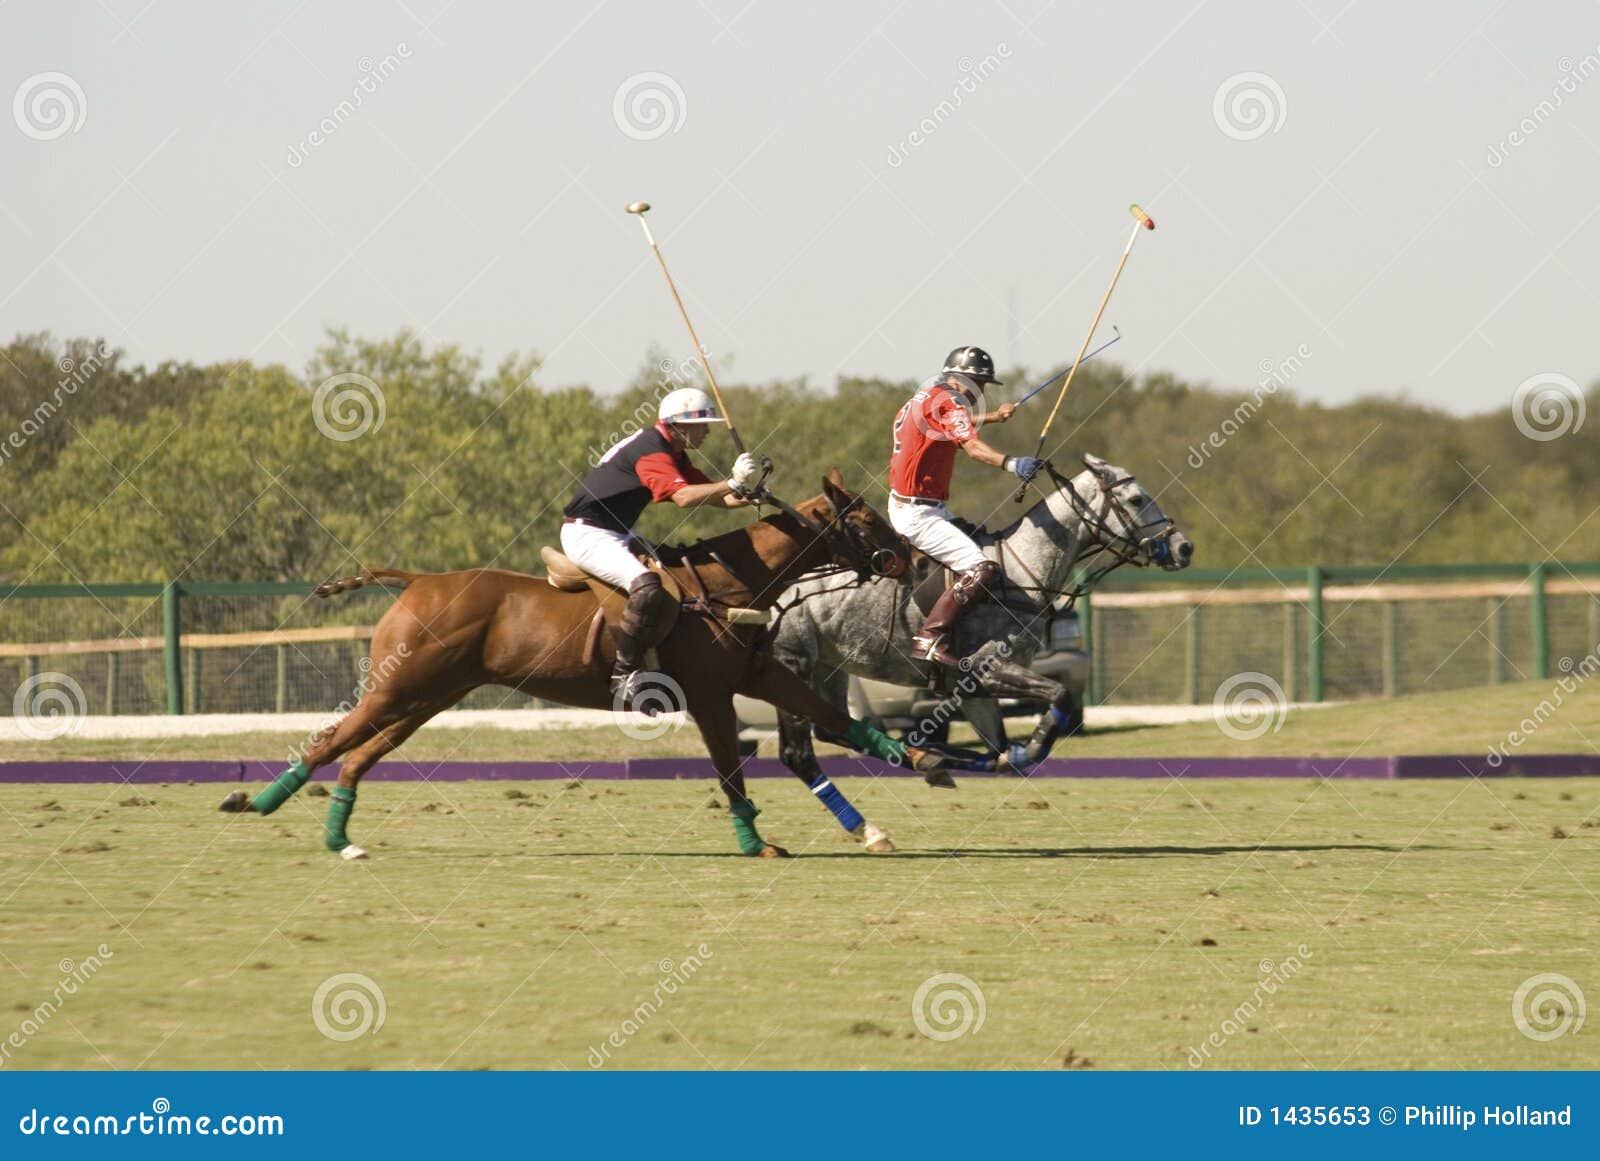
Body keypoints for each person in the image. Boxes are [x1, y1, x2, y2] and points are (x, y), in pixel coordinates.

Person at [562, 387, 762, 708]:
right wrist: (732, 482)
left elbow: (716, 497)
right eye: (702, 425)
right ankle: (624, 673)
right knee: (647, 586)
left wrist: (751, 492)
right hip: (588, 535)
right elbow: (684, 498)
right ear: (678, 426)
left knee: (675, 568)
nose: (708, 431)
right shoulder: (651, 451)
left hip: (617, 532)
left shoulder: (673, 453)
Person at [888, 345, 1041, 667]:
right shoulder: (951, 403)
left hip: (914, 505)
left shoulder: (928, 397)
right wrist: (1011, 464)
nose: (980, 392)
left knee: (980, 541)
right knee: (981, 567)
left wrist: (993, 417)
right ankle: (929, 637)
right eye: (979, 385)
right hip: (918, 514)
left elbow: (950, 422)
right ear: (961, 381)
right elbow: (971, 447)